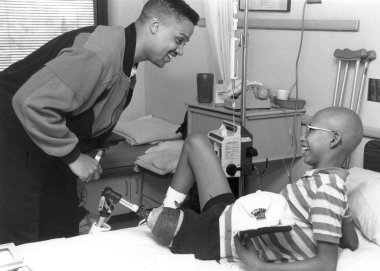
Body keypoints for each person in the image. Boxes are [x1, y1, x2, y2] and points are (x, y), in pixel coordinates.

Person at [0, 0, 199, 245]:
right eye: (179, 40)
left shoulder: (127, 68)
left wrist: (72, 171)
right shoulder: (101, 51)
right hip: (13, 135)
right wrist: (73, 159)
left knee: (62, 225)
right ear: (155, 25)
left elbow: (80, 122)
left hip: (40, 142)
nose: (179, 51)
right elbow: (30, 102)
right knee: (21, 239)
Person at [146, 106, 362, 270]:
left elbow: (326, 263)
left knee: (158, 220)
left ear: (334, 139)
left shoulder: (328, 188)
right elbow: (351, 242)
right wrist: (343, 210)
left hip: (220, 236)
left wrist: (261, 268)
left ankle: (167, 213)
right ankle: (169, 205)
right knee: (196, 142)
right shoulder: (332, 186)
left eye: (311, 131)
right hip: (231, 213)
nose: (303, 137)